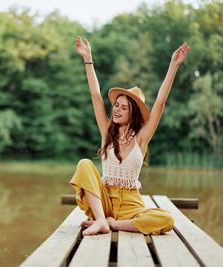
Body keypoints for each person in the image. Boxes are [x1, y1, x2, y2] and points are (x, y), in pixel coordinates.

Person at [71, 37, 189, 236]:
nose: (117, 110)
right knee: (84, 164)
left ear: (132, 113)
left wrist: (173, 65)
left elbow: (160, 102)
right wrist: (88, 59)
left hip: (131, 207)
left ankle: (113, 225)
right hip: (105, 202)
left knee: (166, 219)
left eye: (123, 107)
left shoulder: (141, 137)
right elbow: (95, 96)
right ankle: (101, 220)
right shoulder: (107, 130)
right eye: (116, 105)